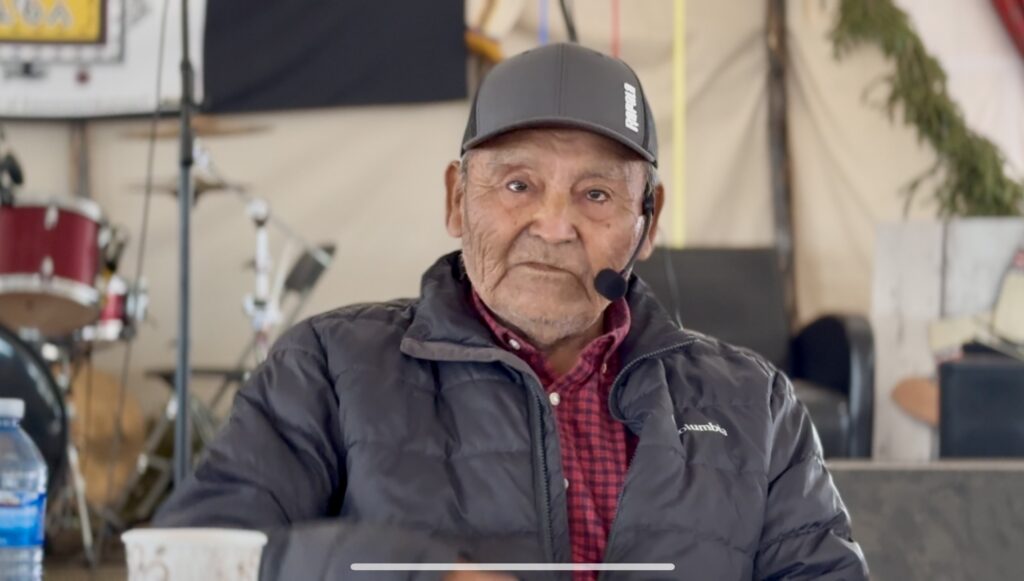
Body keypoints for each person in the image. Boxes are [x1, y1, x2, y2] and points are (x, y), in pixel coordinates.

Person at [155, 43, 868, 580]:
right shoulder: (328, 368)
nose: (553, 226)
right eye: (518, 184)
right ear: (455, 200)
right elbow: (189, 558)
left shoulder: (752, 403)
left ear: (647, 224)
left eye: (595, 194)